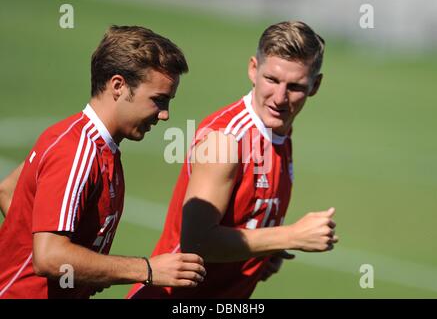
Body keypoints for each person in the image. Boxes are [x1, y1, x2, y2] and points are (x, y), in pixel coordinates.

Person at [127, 21, 338, 299]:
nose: (279, 97)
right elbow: (198, 241)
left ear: (315, 85)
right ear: (253, 69)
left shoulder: (279, 135)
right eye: (271, 80)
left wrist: (262, 256)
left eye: (295, 86)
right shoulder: (225, 140)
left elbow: (240, 225)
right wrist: (291, 236)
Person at [0, 25, 206, 299]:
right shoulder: (77, 152)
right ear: (118, 86)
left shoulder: (85, 141)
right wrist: (145, 269)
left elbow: (9, 190)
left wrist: (83, 271)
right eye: (158, 101)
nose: (165, 115)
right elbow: (49, 257)